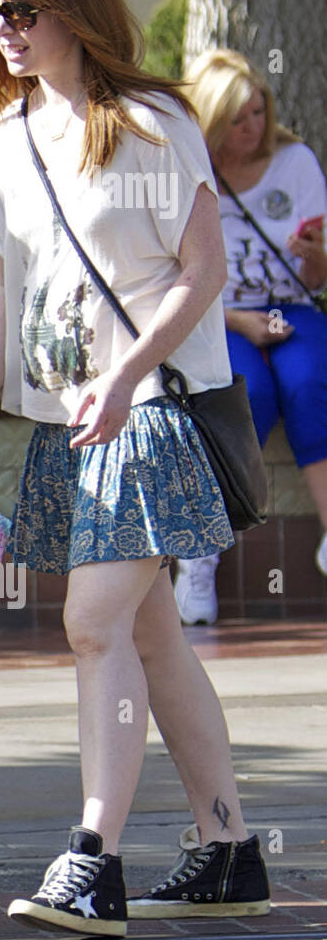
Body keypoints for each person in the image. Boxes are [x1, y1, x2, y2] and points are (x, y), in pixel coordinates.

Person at [0, 0, 270, 939]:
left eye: (21, 8)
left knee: (94, 624)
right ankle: (225, 846)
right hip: (60, 420)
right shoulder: (3, 137)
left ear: (75, 8)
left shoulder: (148, 122)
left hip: (151, 412)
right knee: (149, 634)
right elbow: (16, 276)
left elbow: (201, 275)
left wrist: (128, 374)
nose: (2, 28)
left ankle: (92, 857)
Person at [172, 49, 327, 622]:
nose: (253, 127)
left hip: (290, 307)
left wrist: (314, 256)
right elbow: (174, 272)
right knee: (248, 394)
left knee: (309, 383)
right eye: (239, 117)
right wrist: (241, 322)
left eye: (260, 112)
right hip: (218, 314)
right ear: (212, 120)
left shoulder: (296, 162)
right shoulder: (188, 170)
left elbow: (314, 279)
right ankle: (200, 559)